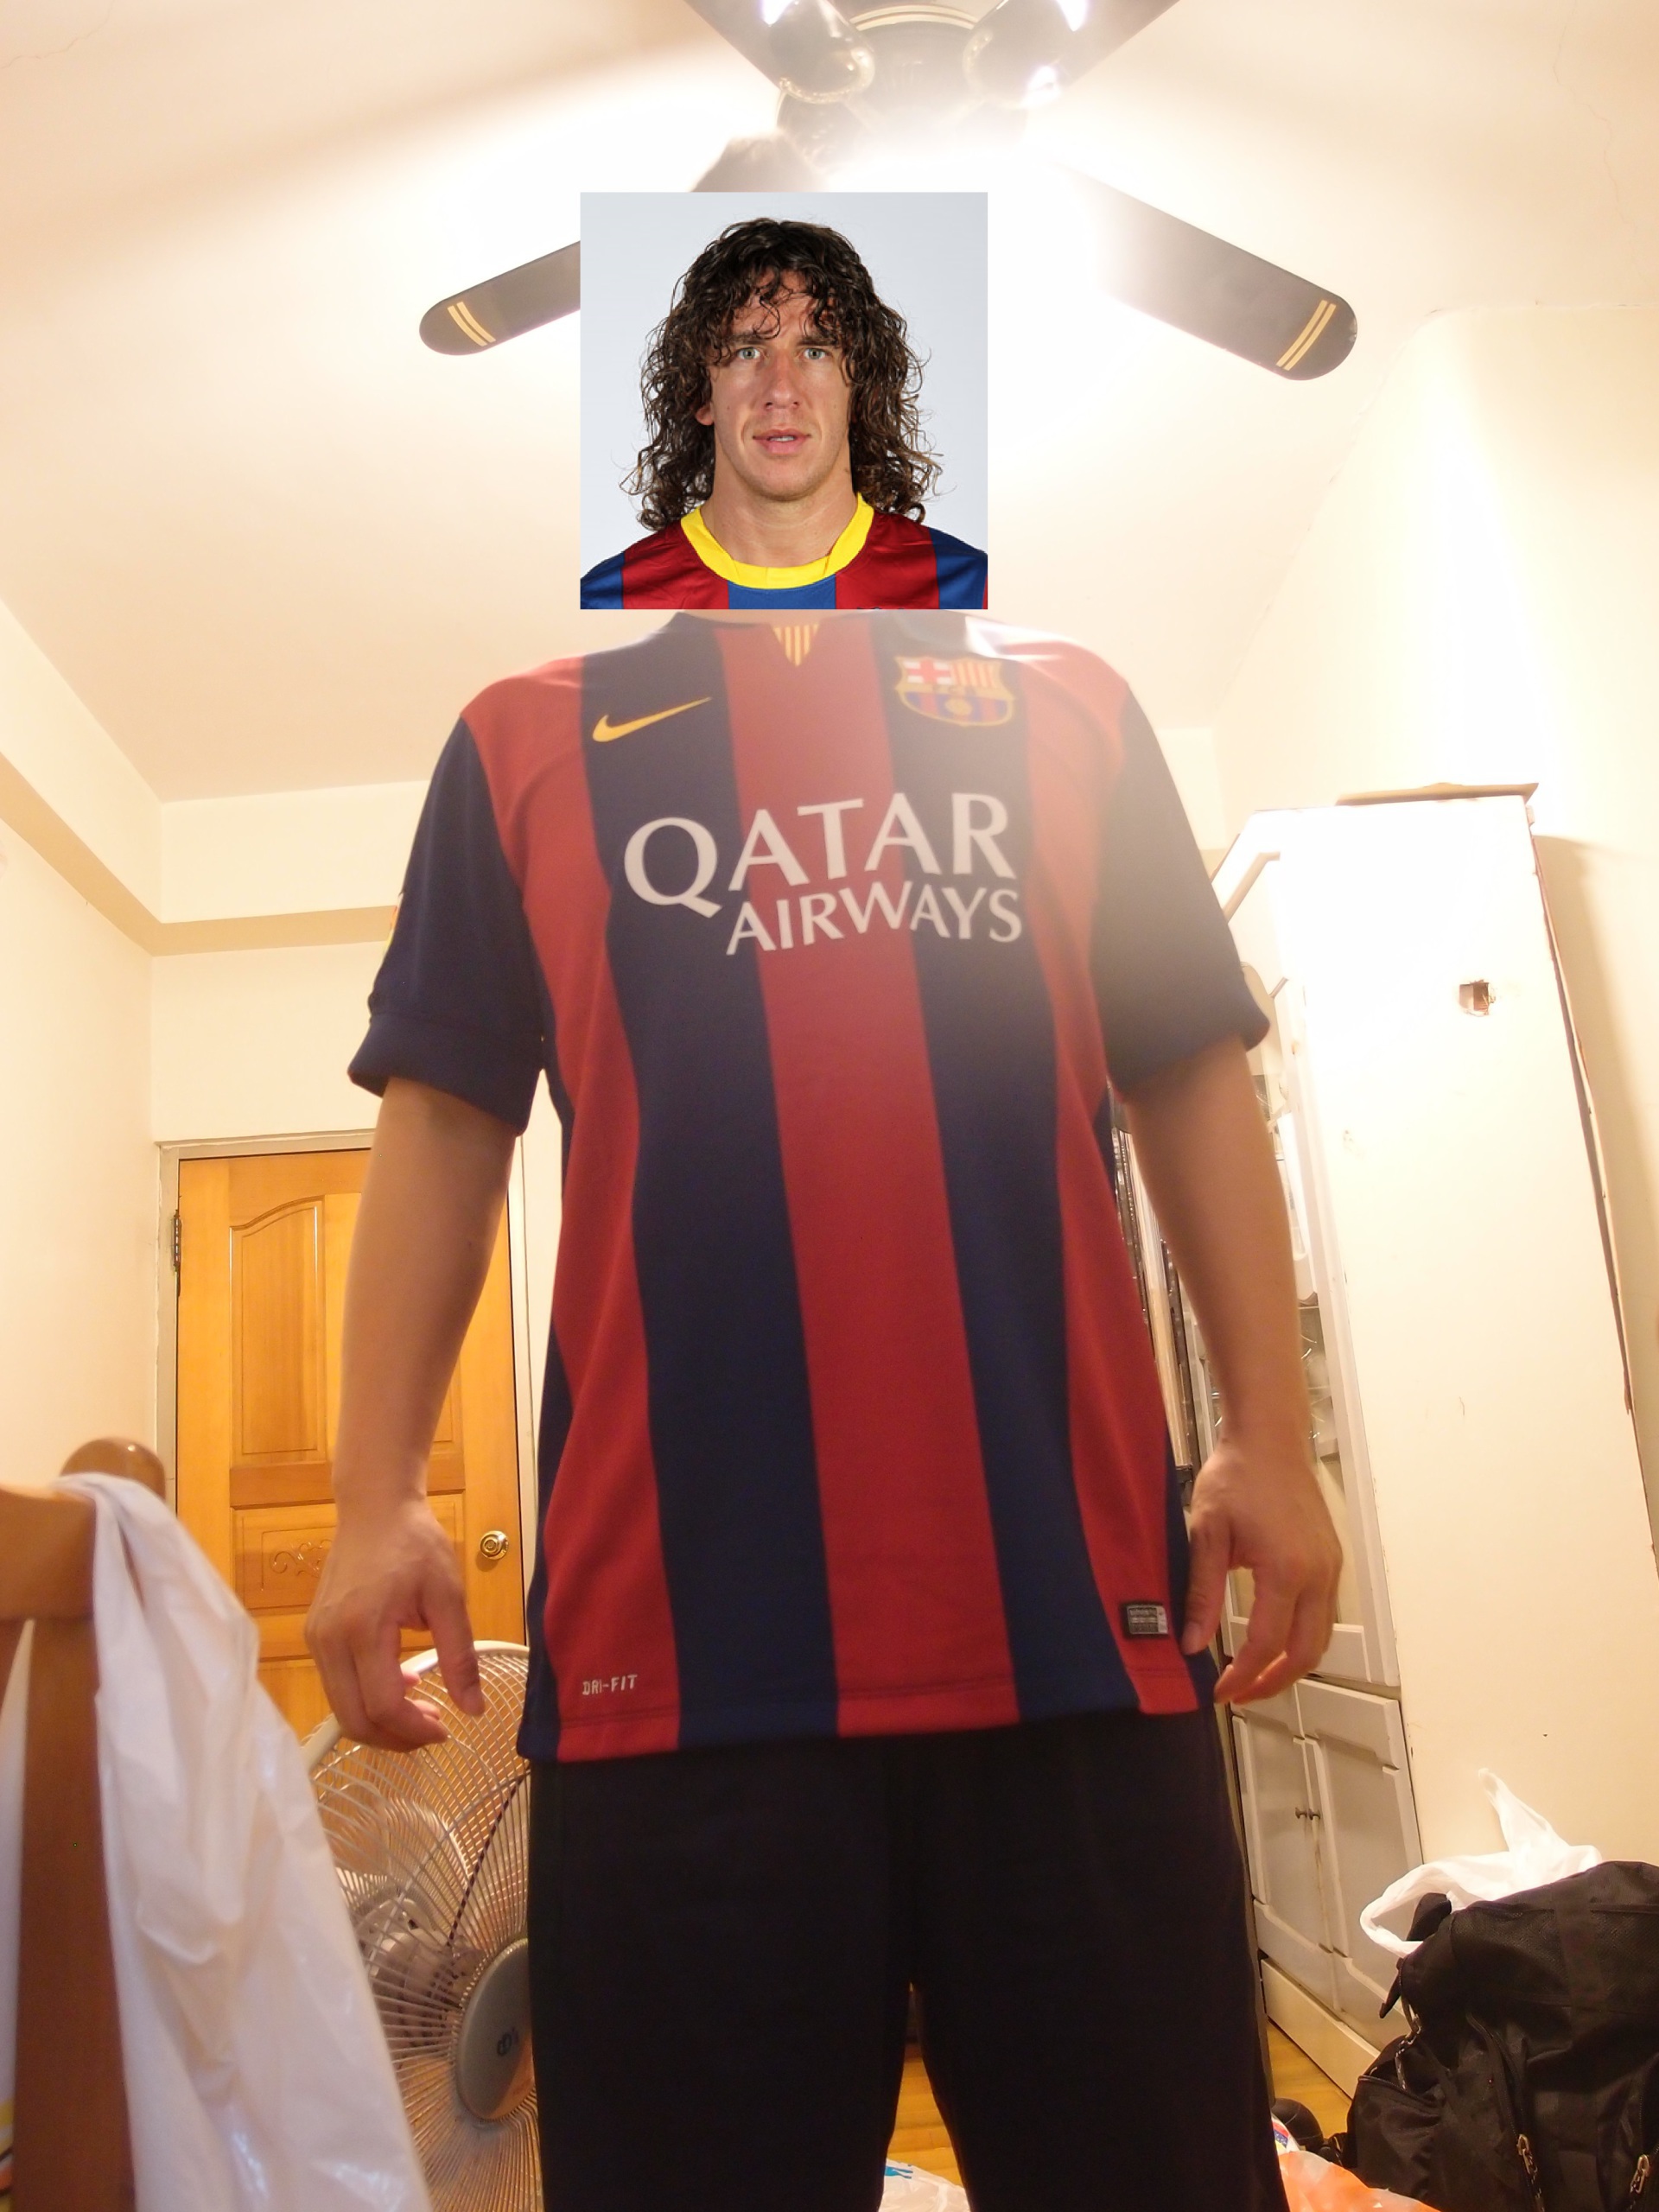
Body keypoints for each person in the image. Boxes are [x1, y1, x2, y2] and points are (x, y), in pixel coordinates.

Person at [307, 607, 1341, 2212]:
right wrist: (374, 1495)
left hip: (1082, 1640)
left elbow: (1188, 1062)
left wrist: (1269, 1434)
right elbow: (445, 1109)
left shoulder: (1073, 709)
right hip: (671, 1678)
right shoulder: (519, 739)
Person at [580, 219, 988, 610]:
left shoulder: (972, 593)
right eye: (748, 352)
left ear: (861, 390)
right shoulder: (606, 605)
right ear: (700, 393)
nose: (780, 391)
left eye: (815, 352)